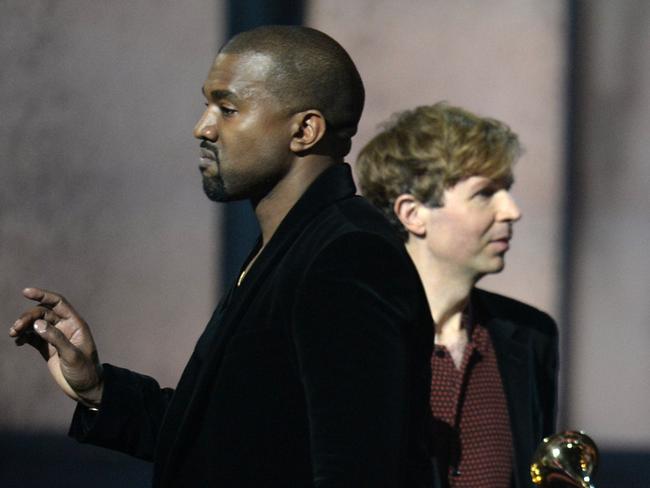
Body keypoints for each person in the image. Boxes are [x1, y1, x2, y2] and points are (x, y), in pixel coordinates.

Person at [9, 26, 434, 487]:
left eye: (227, 109)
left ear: (305, 130)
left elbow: (359, 467)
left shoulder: (347, 255)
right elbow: (232, 441)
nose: (203, 127)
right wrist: (98, 389)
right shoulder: (290, 243)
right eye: (208, 105)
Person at [355, 102, 558, 488]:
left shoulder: (531, 335)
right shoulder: (355, 335)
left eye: (507, 191)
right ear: (413, 214)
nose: (511, 211)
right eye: (485, 194)